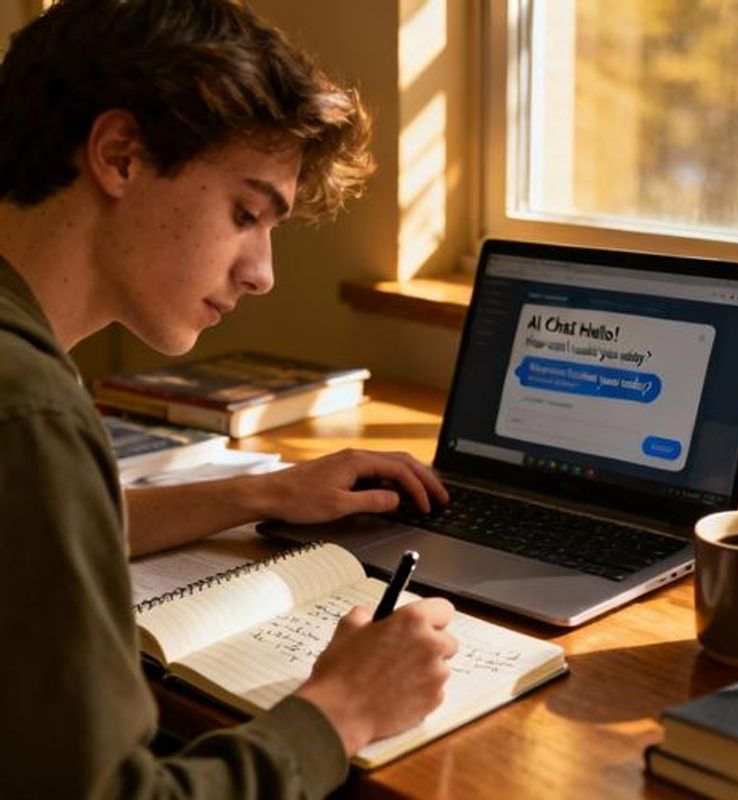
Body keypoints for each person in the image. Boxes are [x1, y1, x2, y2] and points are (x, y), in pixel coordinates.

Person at [0, 1, 457, 798]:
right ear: (120, 155)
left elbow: (42, 527)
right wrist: (341, 710)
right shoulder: (28, 411)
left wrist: (263, 493)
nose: (262, 273)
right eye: (246, 214)